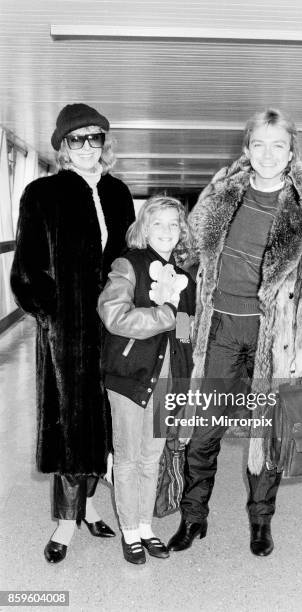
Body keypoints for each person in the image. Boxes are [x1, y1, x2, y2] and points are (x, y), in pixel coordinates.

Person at [168, 108, 302, 556]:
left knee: (266, 435)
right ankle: (193, 518)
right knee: (202, 433)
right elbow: (185, 258)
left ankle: (261, 523)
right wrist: (178, 321)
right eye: (258, 144)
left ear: (291, 151)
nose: (267, 154)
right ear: (247, 149)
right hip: (218, 329)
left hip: (270, 338)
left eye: (278, 145)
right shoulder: (221, 194)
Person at [10, 103, 135, 563]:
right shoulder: (42, 193)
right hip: (67, 328)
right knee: (69, 419)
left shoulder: (119, 193)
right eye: (76, 139)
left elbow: (131, 255)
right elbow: (25, 272)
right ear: (62, 146)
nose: (87, 147)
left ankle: (92, 504)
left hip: (114, 323)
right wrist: (53, 316)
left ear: (105, 143)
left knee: (108, 414)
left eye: (94, 138)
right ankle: (66, 519)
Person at [97, 196, 195, 565]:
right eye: (158, 223)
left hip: (168, 378)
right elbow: (114, 316)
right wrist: (163, 316)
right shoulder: (128, 264)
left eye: (174, 224)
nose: (167, 231)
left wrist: (186, 371)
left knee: (151, 457)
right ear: (144, 227)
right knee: (126, 458)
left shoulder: (184, 272)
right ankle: (129, 531)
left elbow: (184, 327)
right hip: (129, 376)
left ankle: (145, 526)